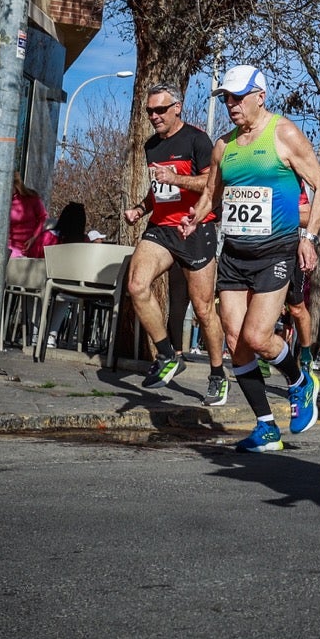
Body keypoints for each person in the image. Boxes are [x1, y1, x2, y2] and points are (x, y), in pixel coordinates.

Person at [182, 65, 320, 452]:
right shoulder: (223, 146)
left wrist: (309, 237)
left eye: (238, 97)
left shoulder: (283, 133)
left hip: (275, 252)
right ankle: (266, 426)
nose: (231, 105)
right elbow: (213, 193)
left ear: (260, 96)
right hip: (234, 254)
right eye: (226, 98)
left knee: (257, 336)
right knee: (236, 341)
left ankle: (300, 382)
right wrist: (195, 216)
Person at [122, 84, 228, 405]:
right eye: (150, 111)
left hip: (197, 228)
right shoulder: (151, 146)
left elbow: (212, 187)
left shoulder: (197, 140)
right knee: (137, 285)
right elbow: (158, 191)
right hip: (163, 228)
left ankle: (217, 374)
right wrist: (141, 209)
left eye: (160, 110)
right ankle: (168, 355)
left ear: (177, 108)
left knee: (203, 308)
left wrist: (177, 179)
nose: (154, 117)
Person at [8, 173, 48, 258]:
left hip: (32, 244)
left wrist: (33, 238)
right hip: (12, 246)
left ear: (15, 184)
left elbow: (43, 217)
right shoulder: (3, 203)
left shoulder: (31, 198)